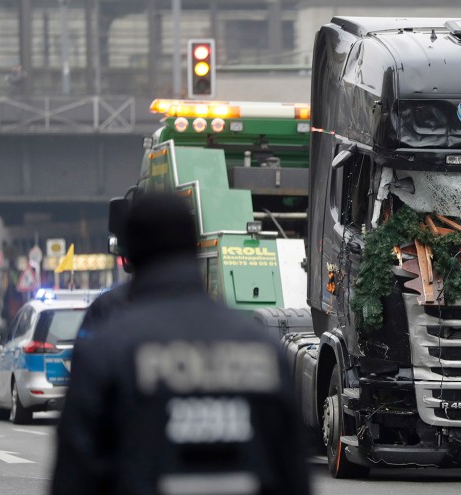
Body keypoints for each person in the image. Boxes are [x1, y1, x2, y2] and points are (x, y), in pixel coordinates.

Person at [51, 193, 309, 495]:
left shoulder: (106, 350)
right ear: (192, 247)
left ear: (129, 254)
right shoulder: (262, 348)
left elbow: (75, 475)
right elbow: (293, 475)